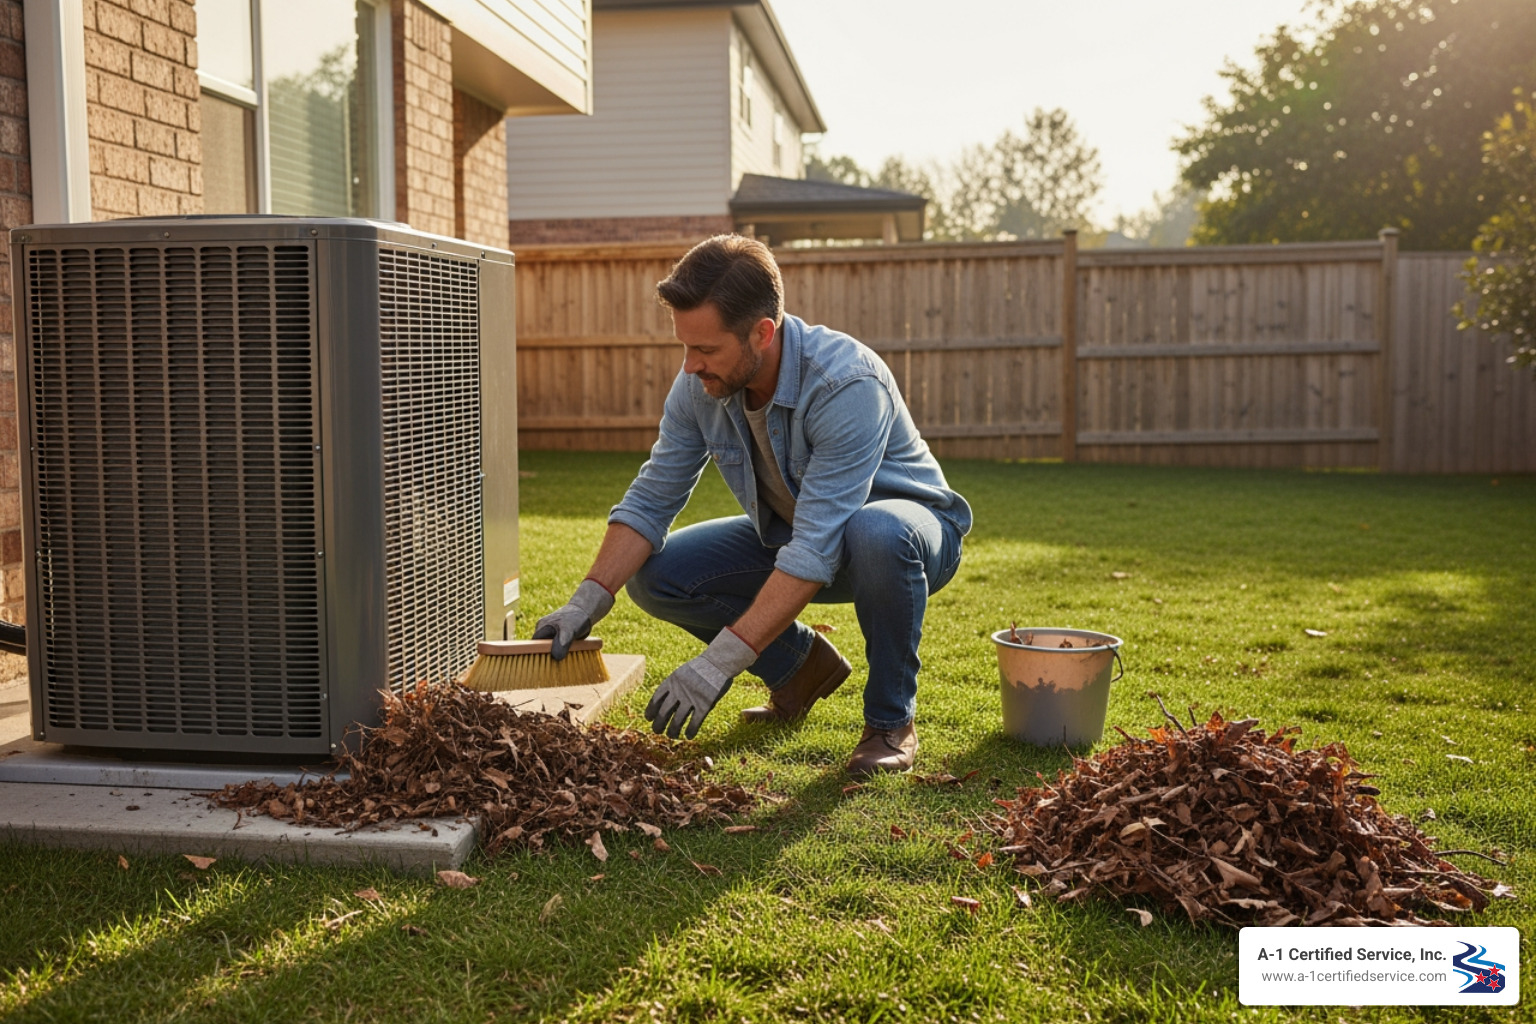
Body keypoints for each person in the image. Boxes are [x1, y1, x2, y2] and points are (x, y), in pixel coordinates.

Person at [533, 235, 971, 776]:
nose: (690, 366)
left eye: (707, 350)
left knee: (874, 531)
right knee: (660, 576)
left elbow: (818, 545)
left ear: (762, 333)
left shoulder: (845, 383)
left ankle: (889, 722)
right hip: (796, 533)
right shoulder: (700, 384)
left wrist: (719, 662)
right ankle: (801, 667)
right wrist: (587, 599)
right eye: (685, 347)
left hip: (909, 539)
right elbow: (653, 494)